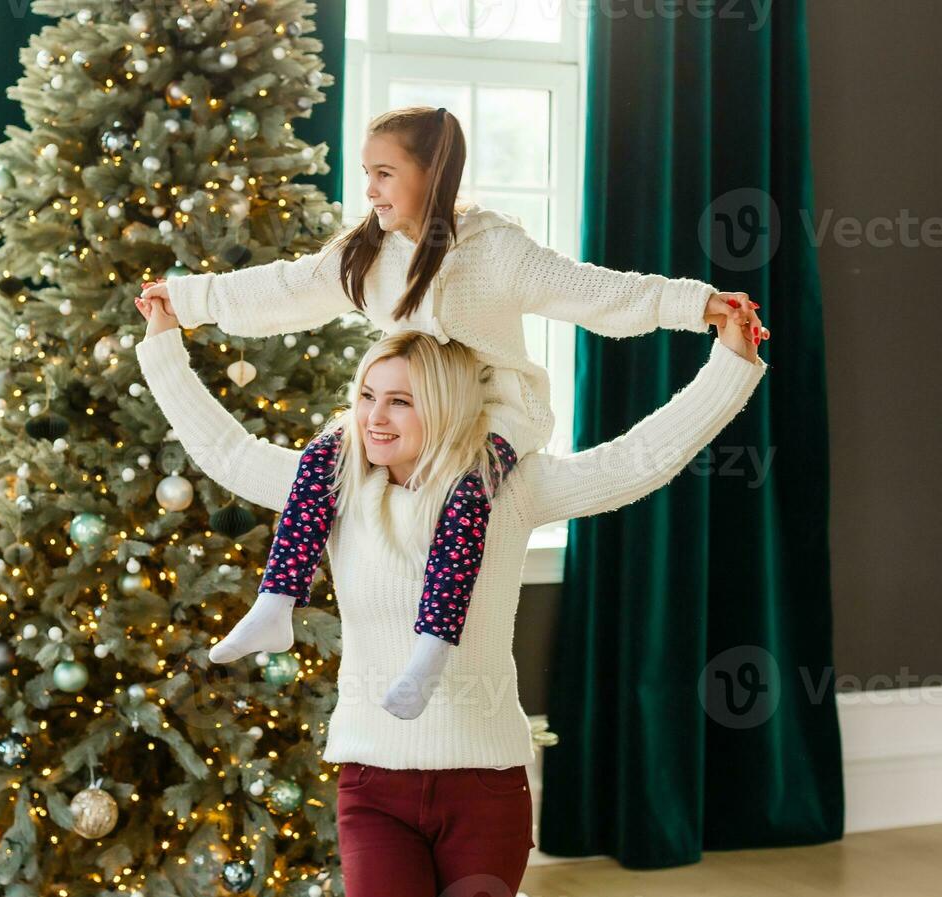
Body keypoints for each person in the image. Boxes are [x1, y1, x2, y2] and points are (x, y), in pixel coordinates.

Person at [131, 289, 768, 897]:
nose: (374, 417)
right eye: (368, 394)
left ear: (443, 406)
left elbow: (640, 458)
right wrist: (164, 340)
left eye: (399, 401)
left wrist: (730, 363)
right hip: (374, 789)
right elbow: (226, 451)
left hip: (484, 792)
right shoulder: (335, 487)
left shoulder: (511, 488)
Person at [140, 105, 769, 711]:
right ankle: (277, 601)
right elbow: (284, 288)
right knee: (318, 462)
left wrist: (699, 305)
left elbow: (593, 290)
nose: (371, 190)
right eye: (366, 174)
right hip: (419, 411)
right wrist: (187, 301)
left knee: (468, 493)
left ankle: (432, 648)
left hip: (493, 414)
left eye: (383, 174)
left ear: (431, 173)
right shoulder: (367, 252)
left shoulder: (495, 251)